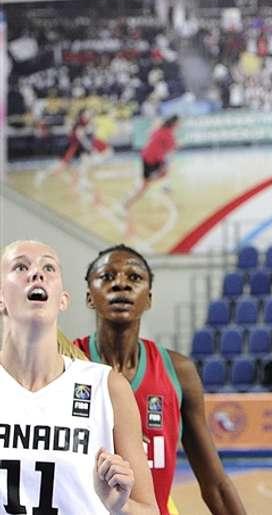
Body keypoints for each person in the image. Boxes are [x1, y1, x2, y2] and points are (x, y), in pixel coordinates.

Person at [75, 244, 247, 515]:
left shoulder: (178, 371)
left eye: (134, 278)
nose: (121, 284)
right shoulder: (69, 364)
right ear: (89, 296)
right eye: (107, 277)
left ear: (149, 298)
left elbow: (214, 484)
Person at [0, 240, 158, 515]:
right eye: (20, 266)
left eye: (48, 267)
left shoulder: (107, 386)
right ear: (1, 296)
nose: (36, 273)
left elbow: (149, 511)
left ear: (63, 299)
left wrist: (118, 505)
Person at [124, 115, 179, 210]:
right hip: (153, 159)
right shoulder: (168, 134)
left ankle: (145, 183)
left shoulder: (159, 130)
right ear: (175, 124)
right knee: (158, 176)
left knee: (164, 172)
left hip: (147, 156)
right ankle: (130, 198)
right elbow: (171, 147)